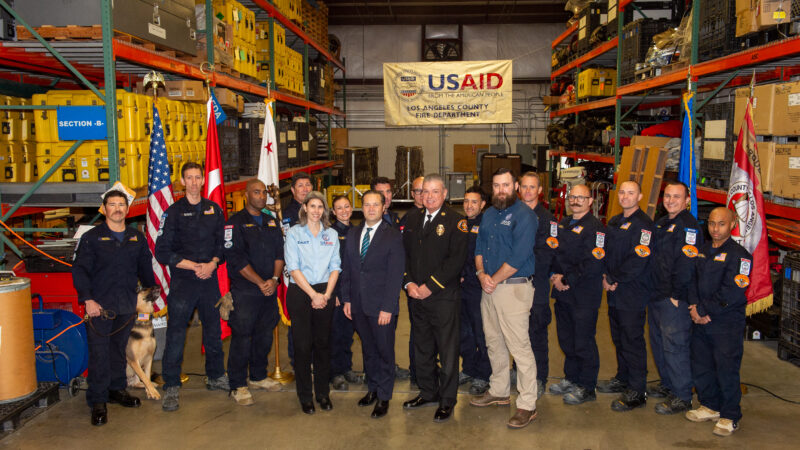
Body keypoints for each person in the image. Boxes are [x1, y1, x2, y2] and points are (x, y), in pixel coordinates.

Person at [72, 189, 157, 426]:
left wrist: (153, 290)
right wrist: (88, 300)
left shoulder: (136, 238)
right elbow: (80, 271)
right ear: (104, 209)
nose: (117, 209)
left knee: (119, 350)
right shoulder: (92, 238)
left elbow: (145, 268)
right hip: (100, 306)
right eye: (112, 204)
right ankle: (98, 400)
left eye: (121, 204)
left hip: (126, 305)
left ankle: (116, 389)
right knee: (99, 354)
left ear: (127, 209)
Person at [155, 162, 228, 412]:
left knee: (213, 331)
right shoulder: (173, 213)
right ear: (182, 181)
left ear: (203, 180)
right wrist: (193, 266)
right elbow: (162, 251)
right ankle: (171, 385)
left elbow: (222, 244)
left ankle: (216, 376)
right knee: (176, 334)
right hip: (183, 283)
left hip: (209, 280)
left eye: (198, 177)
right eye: (189, 178)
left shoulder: (214, 210)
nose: (194, 182)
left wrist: (212, 263)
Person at [470, 168, 539, 429]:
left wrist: (493, 279)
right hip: (489, 287)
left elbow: (519, 256)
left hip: (513, 289)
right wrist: (481, 274)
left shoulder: (525, 216)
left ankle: (527, 404)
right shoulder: (488, 214)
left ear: (516, 187)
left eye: (506, 185)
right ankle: (499, 390)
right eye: (497, 185)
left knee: (519, 347)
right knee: (494, 342)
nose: (501, 190)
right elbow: (479, 247)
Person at [402, 173, 468, 423]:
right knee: (422, 348)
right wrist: (408, 282)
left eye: (434, 191)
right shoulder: (412, 218)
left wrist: (430, 286)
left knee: (447, 350)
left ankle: (447, 400)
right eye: (424, 191)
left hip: (442, 297)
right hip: (416, 296)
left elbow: (456, 260)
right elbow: (404, 254)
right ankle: (428, 392)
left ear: (445, 194)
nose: (428, 196)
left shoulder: (456, 222)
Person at [686, 207, 752, 437]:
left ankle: (730, 415)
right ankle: (710, 405)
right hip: (700, 320)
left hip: (725, 323)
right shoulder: (702, 251)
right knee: (702, 365)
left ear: (732, 224)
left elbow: (732, 291)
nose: (715, 228)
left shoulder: (740, 256)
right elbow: (692, 281)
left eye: (721, 224)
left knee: (726, 369)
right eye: (712, 223)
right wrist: (694, 307)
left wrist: (704, 310)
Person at [340, 190, 405, 419]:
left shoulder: (393, 235)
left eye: (375, 204)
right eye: (366, 204)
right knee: (368, 351)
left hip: (381, 307)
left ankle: (384, 396)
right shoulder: (353, 233)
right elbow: (347, 269)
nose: (370, 209)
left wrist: (388, 307)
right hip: (358, 305)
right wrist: (347, 299)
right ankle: (373, 389)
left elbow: (395, 275)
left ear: (383, 207)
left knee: (384, 352)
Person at [224, 179, 285, 406]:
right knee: (242, 336)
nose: (261, 196)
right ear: (246, 195)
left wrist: (274, 280)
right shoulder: (234, 223)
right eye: (256, 192)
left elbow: (280, 254)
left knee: (264, 334)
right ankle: (237, 384)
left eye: (263, 192)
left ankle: (258, 376)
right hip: (246, 291)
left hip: (269, 289)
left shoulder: (271, 222)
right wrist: (260, 282)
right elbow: (235, 259)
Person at [598, 181, 655, 412]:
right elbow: (605, 252)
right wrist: (605, 275)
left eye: (631, 193)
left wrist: (613, 278)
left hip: (632, 292)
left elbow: (638, 260)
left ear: (639, 196)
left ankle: (637, 390)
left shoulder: (644, 226)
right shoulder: (615, 221)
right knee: (619, 338)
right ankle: (623, 378)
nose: (625, 196)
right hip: (614, 291)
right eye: (622, 192)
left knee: (632, 341)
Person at [284, 191, 341, 414]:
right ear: (305, 208)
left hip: (325, 291)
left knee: (323, 345)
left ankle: (323, 394)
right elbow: (293, 267)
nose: (316, 211)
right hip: (301, 292)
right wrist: (313, 295)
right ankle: (305, 396)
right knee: (302, 346)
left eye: (320, 206)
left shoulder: (332, 234)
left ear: (324, 210)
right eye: (313, 206)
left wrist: (326, 295)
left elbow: (335, 266)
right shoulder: (294, 233)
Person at [649, 181, 703, 414]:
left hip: (673, 298)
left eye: (676, 196)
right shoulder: (662, 223)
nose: (670, 200)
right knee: (659, 343)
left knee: (675, 346)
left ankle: (682, 395)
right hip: (656, 294)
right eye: (667, 196)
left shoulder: (689, 227)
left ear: (687, 200)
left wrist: (676, 295)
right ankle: (669, 384)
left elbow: (687, 265)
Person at [549, 184, 605, 405]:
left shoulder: (596, 228)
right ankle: (571, 378)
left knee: (583, 341)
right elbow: (555, 253)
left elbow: (593, 262)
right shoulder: (563, 223)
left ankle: (587, 386)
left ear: (590, 201)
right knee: (567, 339)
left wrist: (566, 279)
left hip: (583, 295)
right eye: (572, 197)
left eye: (581, 197)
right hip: (563, 293)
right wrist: (554, 275)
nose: (575, 201)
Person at [518, 171, 557, 397]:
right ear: (518, 189)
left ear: (540, 191)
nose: (528, 191)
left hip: (536, 284)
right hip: (513, 284)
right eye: (524, 186)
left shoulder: (548, 220)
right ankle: (518, 371)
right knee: (517, 330)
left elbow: (545, 255)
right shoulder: (512, 214)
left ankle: (540, 377)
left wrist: (515, 263)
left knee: (537, 331)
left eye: (532, 187)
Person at [329, 195, 365, 390]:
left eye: (346, 206)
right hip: (337, 292)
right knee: (335, 333)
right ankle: (335, 373)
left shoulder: (358, 231)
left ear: (352, 208)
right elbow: (328, 265)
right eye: (339, 208)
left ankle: (346, 368)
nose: (344, 211)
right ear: (333, 212)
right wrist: (333, 293)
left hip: (354, 292)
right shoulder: (329, 233)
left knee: (348, 334)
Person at [458, 185, 491, 395]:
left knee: (482, 332)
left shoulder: (487, 225)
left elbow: (486, 257)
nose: (469, 206)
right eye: (466, 201)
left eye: (474, 202)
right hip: (459, 288)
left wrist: (467, 274)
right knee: (463, 332)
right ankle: (469, 368)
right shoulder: (460, 224)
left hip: (477, 287)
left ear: (483, 204)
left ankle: (483, 374)